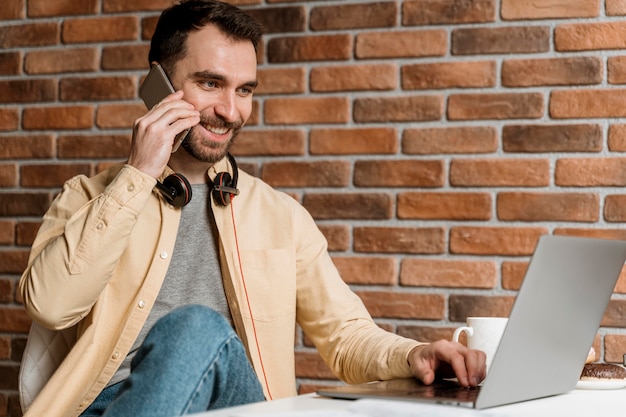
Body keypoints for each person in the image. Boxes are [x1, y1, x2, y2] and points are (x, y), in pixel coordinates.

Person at [17, 1, 486, 416]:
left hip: (232, 405)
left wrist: (415, 355)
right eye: (209, 83)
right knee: (195, 328)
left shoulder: (280, 216)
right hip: (109, 406)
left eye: (244, 90)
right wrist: (138, 174)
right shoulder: (87, 197)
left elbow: (345, 335)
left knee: (198, 328)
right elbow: (51, 306)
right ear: (157, 82)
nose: (230, 110)